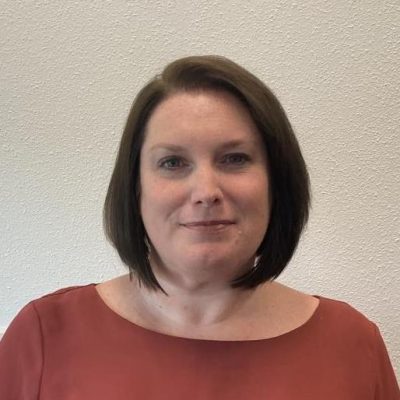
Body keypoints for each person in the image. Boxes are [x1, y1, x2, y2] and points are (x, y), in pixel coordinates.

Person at [0, 55, 398, 399]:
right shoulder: (44, 339)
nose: (206, 191)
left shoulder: (351, 346)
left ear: (277, 181)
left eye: (235, 158)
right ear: (134, 187)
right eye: (173, 163)